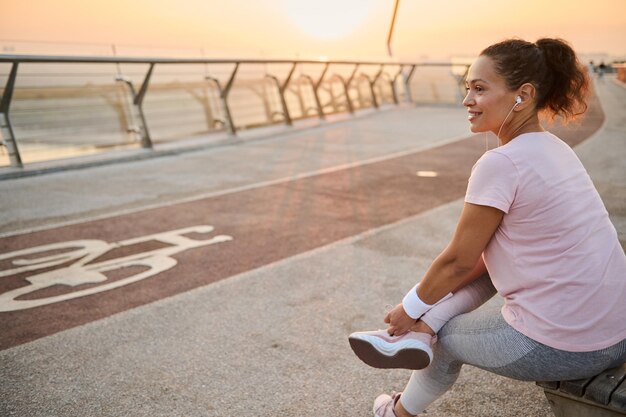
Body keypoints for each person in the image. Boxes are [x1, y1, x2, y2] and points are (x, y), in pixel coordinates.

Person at [348, 38, 626, 417]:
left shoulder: (502, 164)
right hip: (616, 331)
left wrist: (409, 307)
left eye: (480, 89)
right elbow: (480, 262)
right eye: (467, 88)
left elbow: (458, 262)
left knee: (444, 341)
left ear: (523, 95)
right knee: (489, 271)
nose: (467, 100)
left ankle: (397, 410)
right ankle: (419, 333)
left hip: (569, 346)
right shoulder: (556, 149)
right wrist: (422, 311)